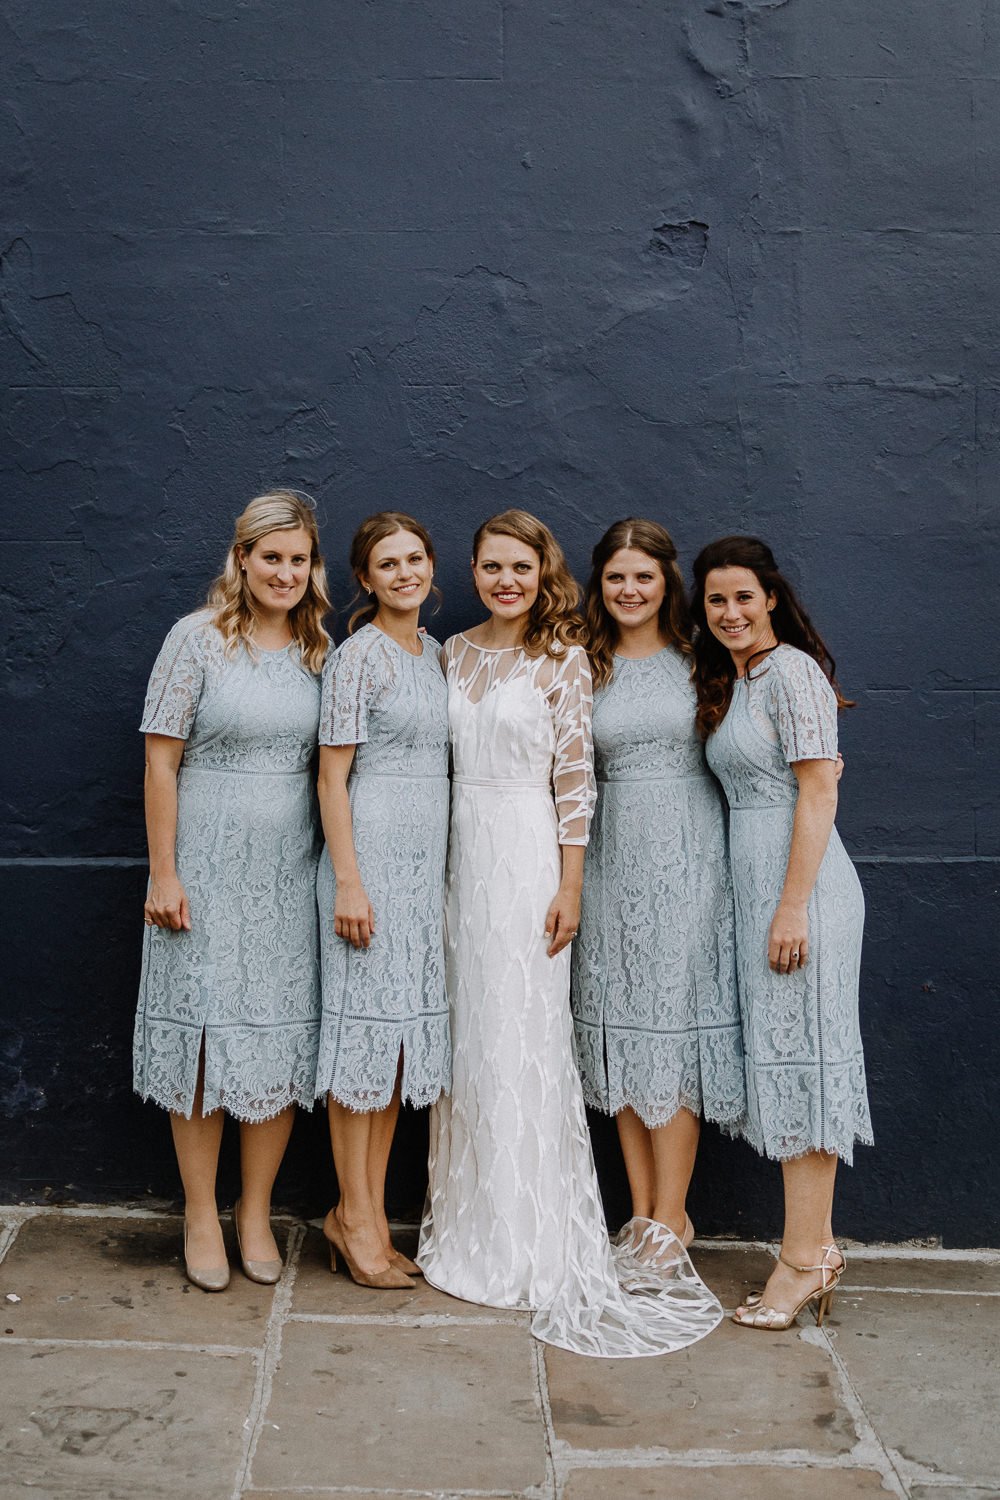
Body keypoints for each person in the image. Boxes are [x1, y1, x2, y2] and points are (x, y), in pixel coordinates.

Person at [419, 509, 722, 1357]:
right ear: (472, 571)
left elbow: (575, 780)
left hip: (529, 860)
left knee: (527, 1036)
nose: (505, 581)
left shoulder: (563, 660)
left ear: (543, 570)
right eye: (490, 567)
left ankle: (537, 1235)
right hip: (461, 863)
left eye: (520, 567)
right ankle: (470, 1228)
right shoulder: (451, 654)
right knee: (472, 1040)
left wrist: (572, 885)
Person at [135, 490, 331, 1291]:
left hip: (289, 873)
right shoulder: (197, 641)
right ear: (242, 559)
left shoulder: (322, 651)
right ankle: (199, 1212)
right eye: (271, 557)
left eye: (299, 559)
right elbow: (159, 760)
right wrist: (164, 871)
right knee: (205, 1046)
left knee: (274, 1041)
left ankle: (255, 1212)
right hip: (205, 871)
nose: (285, 572)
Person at [691, 535, 873, 1330]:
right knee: (788, 1062)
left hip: (802, 893)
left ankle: (803, 1261)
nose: (730, 612)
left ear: (771, 598)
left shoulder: (792, 672)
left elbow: (819, 791)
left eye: (743, 597)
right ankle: (815, 1248)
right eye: (715, 600)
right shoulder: (743, 680)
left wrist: (793, 904)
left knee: (807, 1066)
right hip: (765, 889)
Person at [573, 519, 745, 1260]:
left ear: (666, 582)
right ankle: (639, 1214)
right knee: (621, 1034)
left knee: (672, 1039)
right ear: (599, 586)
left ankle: (672, 1218)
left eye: (643, 576)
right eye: (615, 577)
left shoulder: (702, 658)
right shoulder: (585, 664)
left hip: (689, 862)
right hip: (610, 863)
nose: (629, 590)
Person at [315, 513, 450, 1290]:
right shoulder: (358, 658)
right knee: (360, 1052)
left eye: (414, 559)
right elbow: (332, 777)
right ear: (364, 579)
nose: (403, 573)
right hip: (367, 873)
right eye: (385, 564)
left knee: (395, 1055)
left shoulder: (433, 655)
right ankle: (355, 1216)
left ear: (431, 568)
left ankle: (363, 1212)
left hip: (420, 873)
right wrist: (349, 881)